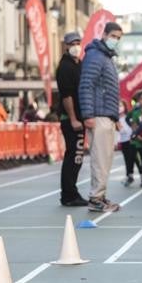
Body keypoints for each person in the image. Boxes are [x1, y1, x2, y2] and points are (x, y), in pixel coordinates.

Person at [79, 22, 123, 212]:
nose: (116, 40)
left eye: (119, 38)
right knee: (100, 159)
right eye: (114, 36)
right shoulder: (96, 56)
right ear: (104, 34)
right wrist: (87, 114)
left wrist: (115, 116)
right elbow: (86, 84)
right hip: (98, 114)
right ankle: (96, 198)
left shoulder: (105, 57)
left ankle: (100, 196)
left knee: (105, 159)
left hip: (106, 114)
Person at [56, 32, 88, 207]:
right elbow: (66, 95)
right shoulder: (65, 67)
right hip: (71, 119)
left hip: (80, 117)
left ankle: (71, 192)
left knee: (77, 157)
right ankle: (68, 195)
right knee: (73, 156)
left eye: (78, 42)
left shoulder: (79, 64)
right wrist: (74, 118)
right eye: (73, 43)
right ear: (66, 45)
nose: (76, 45)